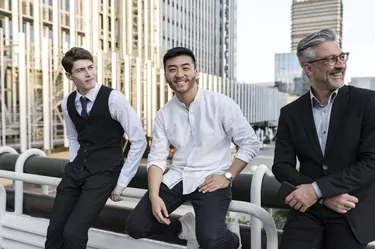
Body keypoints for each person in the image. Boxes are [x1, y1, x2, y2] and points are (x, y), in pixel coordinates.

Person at [125, 47, 260, 249]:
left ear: (196, 72)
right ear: (166, 76)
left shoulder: (221, 104)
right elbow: (157, 158)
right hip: (177, 177)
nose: (179, 74)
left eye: (185, 68)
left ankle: (233, 240)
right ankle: (184, 229)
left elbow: (250, 142)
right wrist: (154, 196)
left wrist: (227, 176)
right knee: (135, 227)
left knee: (212, 241)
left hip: (212, 179)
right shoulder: (164, 114)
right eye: (172, 69)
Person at [272, 28, 375, 249]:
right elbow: (281, 166)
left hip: (350, 211)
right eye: (330, 59)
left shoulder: (368, 102)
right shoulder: (290, 113)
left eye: (341, 57)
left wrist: (317, 190)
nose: (340, 65)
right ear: (308, 68)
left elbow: (372, 162)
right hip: (307, 212)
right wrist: (320, 195)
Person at [45, 47, 147, 249]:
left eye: (91, 67)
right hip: (77, 171)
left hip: (105, 172)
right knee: (54, 231)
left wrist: (122, 181)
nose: (89, 73)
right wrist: (75, 162)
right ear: (69, 75)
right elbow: (74, 137)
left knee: (73, 232)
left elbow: (139, 140)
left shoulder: (113, 98)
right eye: (81, 70)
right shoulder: (67, 103)